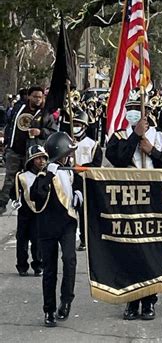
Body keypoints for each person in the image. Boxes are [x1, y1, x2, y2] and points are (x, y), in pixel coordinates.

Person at [106, 91, 162, 321]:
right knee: (129, 252)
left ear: (148, 112)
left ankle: (149, 301)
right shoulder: (118, 136)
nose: (133, 111)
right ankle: (131, 300)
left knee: (152, 252)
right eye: (129, 107)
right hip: (127, 202)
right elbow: (116, 159)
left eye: (138, 108)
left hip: (155, 201)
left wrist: (153, 152)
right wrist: (134, 137)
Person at [30, 132, 83, 327]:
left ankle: (66, 299)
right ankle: (49, 310)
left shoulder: (68, 169)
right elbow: (36, 194)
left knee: (69, 260)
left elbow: (77, 183)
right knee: (50, 270)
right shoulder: (46, 173)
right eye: (67, 152)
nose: (69, 156)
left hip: (67, 224)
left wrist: (78, 191)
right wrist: (49, 173)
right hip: (47, 227)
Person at [0, 86, 57, 215]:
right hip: (14, 150)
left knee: (32, 179)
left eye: (40, 97)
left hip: (32, 153)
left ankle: (32, 205)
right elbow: (9, 124)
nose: (38, 99)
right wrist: (7, 141)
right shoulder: (18, 108)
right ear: (29, 96)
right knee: (10, 179)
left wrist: (41, 132)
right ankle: (2, 204)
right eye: (35, 96)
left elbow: (53, 132)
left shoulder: (45, 113)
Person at [69, 109, 103, 250]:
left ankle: (84, 239)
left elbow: (96, 165)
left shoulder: (92, 144)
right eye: (74, 124)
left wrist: (81, 168)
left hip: (84, 181)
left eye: (79, 124)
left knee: (84, 213)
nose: (76, 126)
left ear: (84, 126)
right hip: (68, 180)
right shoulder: (67, 142)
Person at [12, 144, 48, 277]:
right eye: (38, 158)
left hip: (39, 212)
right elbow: (14, 192)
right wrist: (16, 200)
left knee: (37, 240)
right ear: (31, 160)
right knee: (21, 240)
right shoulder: (21, 176)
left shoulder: (46, 176)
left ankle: (38, 265)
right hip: (24, 213)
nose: (42, 161)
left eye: (44, 158)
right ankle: (22, 266)